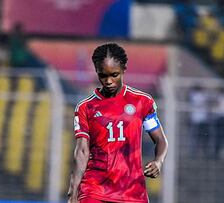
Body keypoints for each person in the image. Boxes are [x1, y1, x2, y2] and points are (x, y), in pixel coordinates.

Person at [67, 43, 168, 203]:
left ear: (124, 70)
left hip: (132, 192)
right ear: (96, 72)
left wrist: (158, 161)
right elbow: (82, 152)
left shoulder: (142, 102)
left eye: (114, 75)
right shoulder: (86, 107)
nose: (108, 81)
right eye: (103, 75)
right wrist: (73, 191)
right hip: (94, 189)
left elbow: (160, 140)